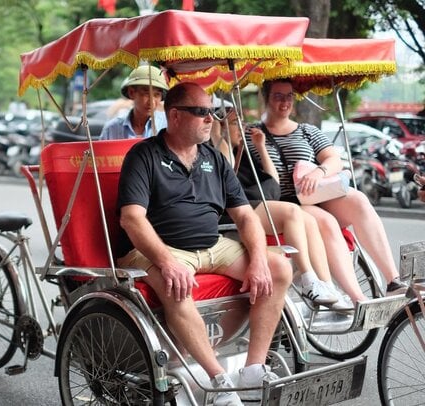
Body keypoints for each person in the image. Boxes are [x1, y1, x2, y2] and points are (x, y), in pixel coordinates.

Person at [117, 82, 292, 405]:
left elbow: (246, 217)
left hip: (213, 246)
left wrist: (257, 260)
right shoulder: (144, 155)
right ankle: (218, 382)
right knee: (175, 285)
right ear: (175, 116)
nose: (211, 118)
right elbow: (132, 219)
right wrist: (167, 262)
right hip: (160, 248)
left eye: (212, 112)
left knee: (278, 266)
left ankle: (253, 370)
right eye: (201, 112)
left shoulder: (213, 157)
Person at [253, 78, 407, 295]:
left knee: (359, 200)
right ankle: (357, 297)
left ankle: (393, 280)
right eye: (278, 96)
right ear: (266, 98)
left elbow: (334, 159)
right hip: (284, 202)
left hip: (316, 194)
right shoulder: (252, 135)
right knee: (327, 221)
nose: (285, 102)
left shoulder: (307, 131)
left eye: (289, 96)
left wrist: (319, 172)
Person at [212, 114, 358, 310]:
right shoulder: (216, 149)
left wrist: (261, 147)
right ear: (220, 126)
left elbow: (273, 180)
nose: (241, 128)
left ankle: (326, 285)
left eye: (241, 123)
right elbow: (227, 167)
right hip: (234, 208)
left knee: (309, 220)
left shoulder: (243, 152)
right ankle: (308, 279)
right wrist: (218, 135)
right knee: (291, 211)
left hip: (258, 201)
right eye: (233, 123)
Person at [100, 65, 168, 140]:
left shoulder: (168, 126)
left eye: (157, 95)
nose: (151, 102)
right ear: (131, 93)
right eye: (146, 94)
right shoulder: (111, 129)